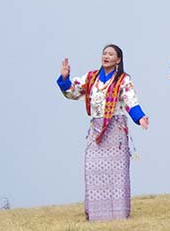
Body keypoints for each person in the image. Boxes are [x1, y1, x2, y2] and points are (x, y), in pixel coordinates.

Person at [57, 45, 149, 221]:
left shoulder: (123, 80)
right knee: (92, 168)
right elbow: (73, 93)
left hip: (115, 128)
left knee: (117, 172)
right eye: (104, 53)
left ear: (118, 60)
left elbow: (131, 100)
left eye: (111, 54)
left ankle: (118, 214)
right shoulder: (91, 78)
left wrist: (141, 117)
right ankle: (96, 213)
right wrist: (65, 78)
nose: (106, 56)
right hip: (96, 129)